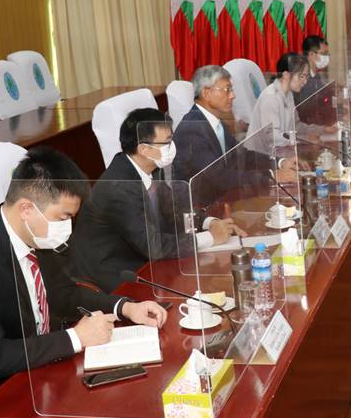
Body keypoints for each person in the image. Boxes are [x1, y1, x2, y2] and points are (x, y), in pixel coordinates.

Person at [0, 148, 167, 418]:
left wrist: (126, 308)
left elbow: (65, 294)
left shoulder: (36, 234)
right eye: (63, 218)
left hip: (30, 373)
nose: (67, 228)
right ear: (26, 209)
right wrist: (76, 337)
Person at [73, 109, 244, 292]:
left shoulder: (152, 166)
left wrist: (209, 223)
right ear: (144, 149)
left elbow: (173, 208)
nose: (173, 147)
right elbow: (152, 246)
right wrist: (210, 237)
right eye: (167, 142)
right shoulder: (120, 188)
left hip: (145, 258)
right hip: (117, 273)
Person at [173, 65, 295, 209]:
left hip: (225, 200)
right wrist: (271, 176)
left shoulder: (216, 123)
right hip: (203, 211)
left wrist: (280, 162)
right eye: (227, 89)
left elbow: (242, 155)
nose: (233, 95)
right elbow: (220, 177)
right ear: (206, 93)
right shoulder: (192, 129)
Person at [247, 53, 309, 145]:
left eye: (307, 76)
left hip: (282, 148)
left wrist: (321, 130)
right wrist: (300, 141)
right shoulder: (270, 97)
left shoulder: (289, 95)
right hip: (261, 152)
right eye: (302, 76)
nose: (305, 81)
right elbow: (271, 136)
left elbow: (296, 126)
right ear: (286, 75)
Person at [295, 35, 330, 106]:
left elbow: (324, 94)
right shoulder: (302, 78)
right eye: (324, 53)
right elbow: (306, 107)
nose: (327, 57)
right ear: (311, 54)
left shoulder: (316, 75)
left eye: (327, 53)